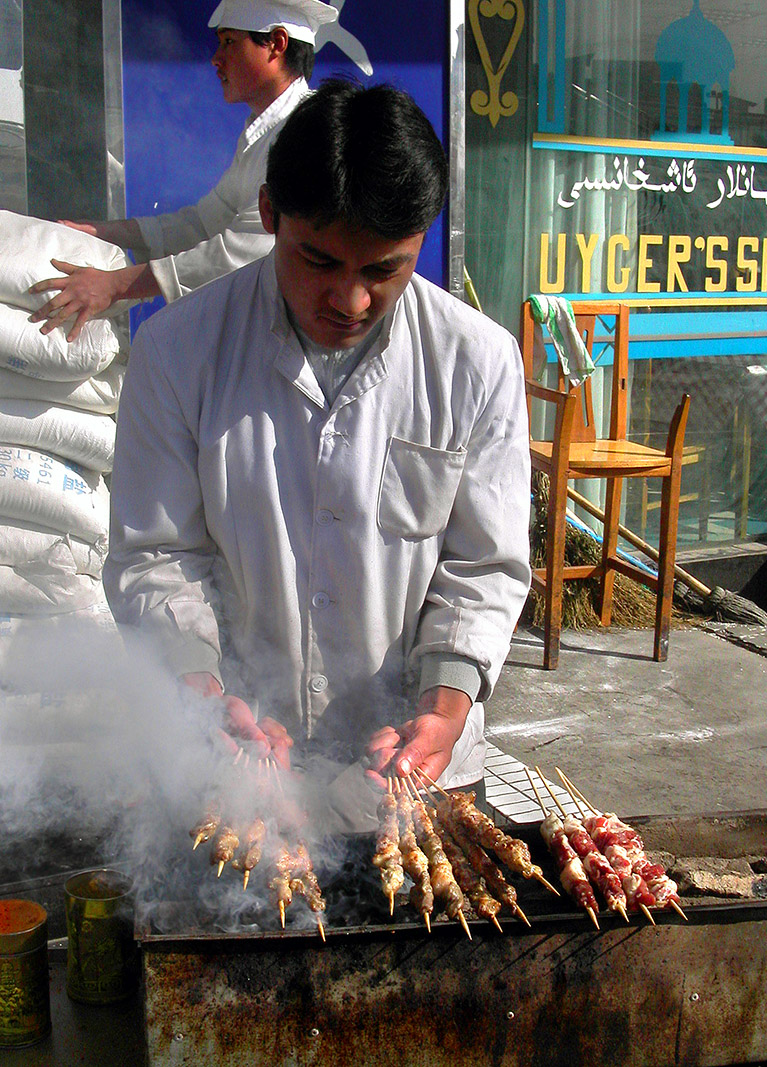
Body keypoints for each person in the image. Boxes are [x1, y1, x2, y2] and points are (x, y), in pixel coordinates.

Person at [103, 79, 532, 830]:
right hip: (239, 773)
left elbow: (484, 566)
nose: (351, 300)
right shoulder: (177, 353)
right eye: (320, 261)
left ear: (421, 240)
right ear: (270, 214)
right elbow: (156, 557)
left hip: (412, 776)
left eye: (382, 270)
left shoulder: (479, 361)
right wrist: (204, 688)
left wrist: (445, 703)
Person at [27, 0, 338, 343]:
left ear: (276, 44)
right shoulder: (265, 133)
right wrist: (105, 231)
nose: (216, 59)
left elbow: (243, 252)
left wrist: (114, 285)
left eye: (229, 42)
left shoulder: (307, 133)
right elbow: (204, 222)